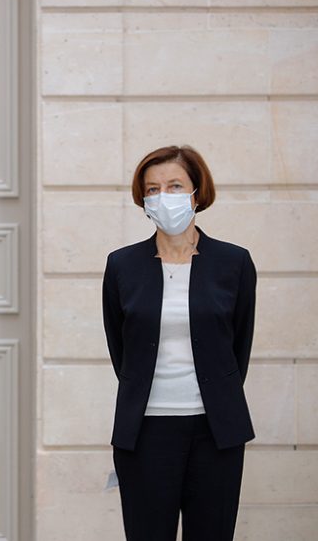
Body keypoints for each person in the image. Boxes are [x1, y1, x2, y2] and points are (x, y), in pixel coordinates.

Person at [102, 145, 255, 540]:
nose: (162, 197)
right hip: (146, 431)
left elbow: (237, 346)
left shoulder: (233, 263)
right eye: (152, 189)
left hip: (216, 430)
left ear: (196, 192)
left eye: (174, 185)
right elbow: (123, 352)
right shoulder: (122, 265)